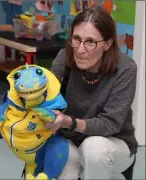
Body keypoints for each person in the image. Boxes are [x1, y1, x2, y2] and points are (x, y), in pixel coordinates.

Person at [45, 6, 138, 179]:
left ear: (107, 44)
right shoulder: (64, 57)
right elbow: (45, 98)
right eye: (76, 39)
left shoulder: (125, 69)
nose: (80, 49)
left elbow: (110, 124)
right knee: (62, 163)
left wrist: (69, 122)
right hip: (69, 139)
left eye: (90, 42)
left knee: (93, 148)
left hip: (113, 142)